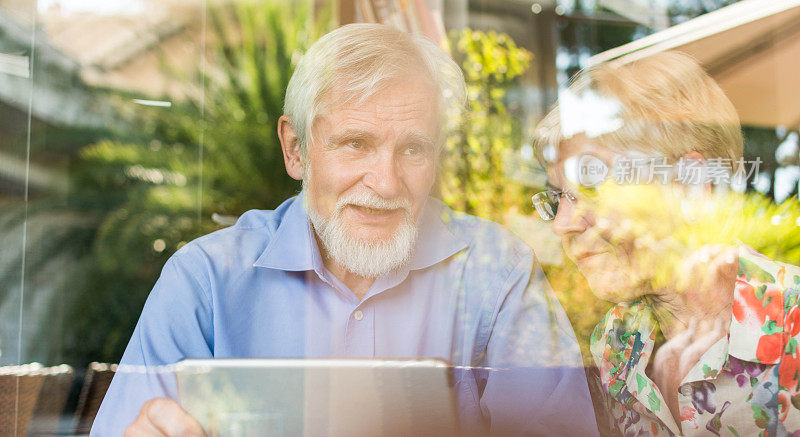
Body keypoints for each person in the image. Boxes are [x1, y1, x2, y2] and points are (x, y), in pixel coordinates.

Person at [92, 23, 597, 436]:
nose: (385, 182)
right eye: (355, 143)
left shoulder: (498, 271)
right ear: (295, 149)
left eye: (413, 149)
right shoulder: (203, 281)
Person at [532, 51, 800, 435]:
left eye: (592, 186)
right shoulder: (616, 342)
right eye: (558, 197)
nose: (561, 224)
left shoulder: (794, 327)